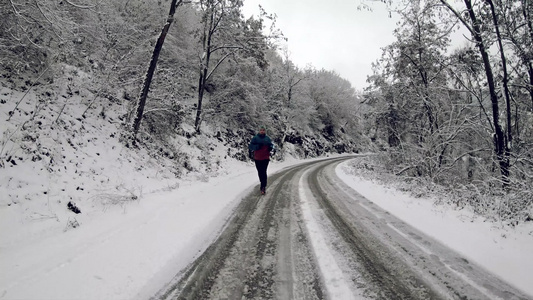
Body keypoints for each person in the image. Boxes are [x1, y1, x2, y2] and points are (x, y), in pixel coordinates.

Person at [248, 125, 275, 195]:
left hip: (265, 158)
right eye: (261, 130)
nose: (262, 131)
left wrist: (270, 148)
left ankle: (263, 186)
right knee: (260, 172)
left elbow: (271, 145)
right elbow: (250, 146)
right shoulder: (255, 138)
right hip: (257, 158)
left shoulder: (267, 138)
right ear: (259, 131)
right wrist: (257, 147)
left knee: (263, 171)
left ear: (265, 131)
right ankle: (262, 183)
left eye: (263, 130)